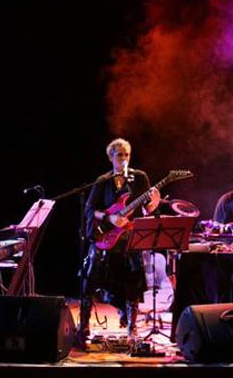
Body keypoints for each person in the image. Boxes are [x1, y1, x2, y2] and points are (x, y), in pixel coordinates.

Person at [77, 138, 160, 347]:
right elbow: (89, 209)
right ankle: (83, 328)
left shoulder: (139, 178)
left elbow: (146, 209)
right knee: (89, 278)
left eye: (127, 155)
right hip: (105, 237)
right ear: (110, 157)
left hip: (129, 237)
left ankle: (132, 329)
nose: (123, 159)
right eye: (119, 155)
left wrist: (153, 205)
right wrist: (109, 218)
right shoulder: (103, 181)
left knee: (133, 281)